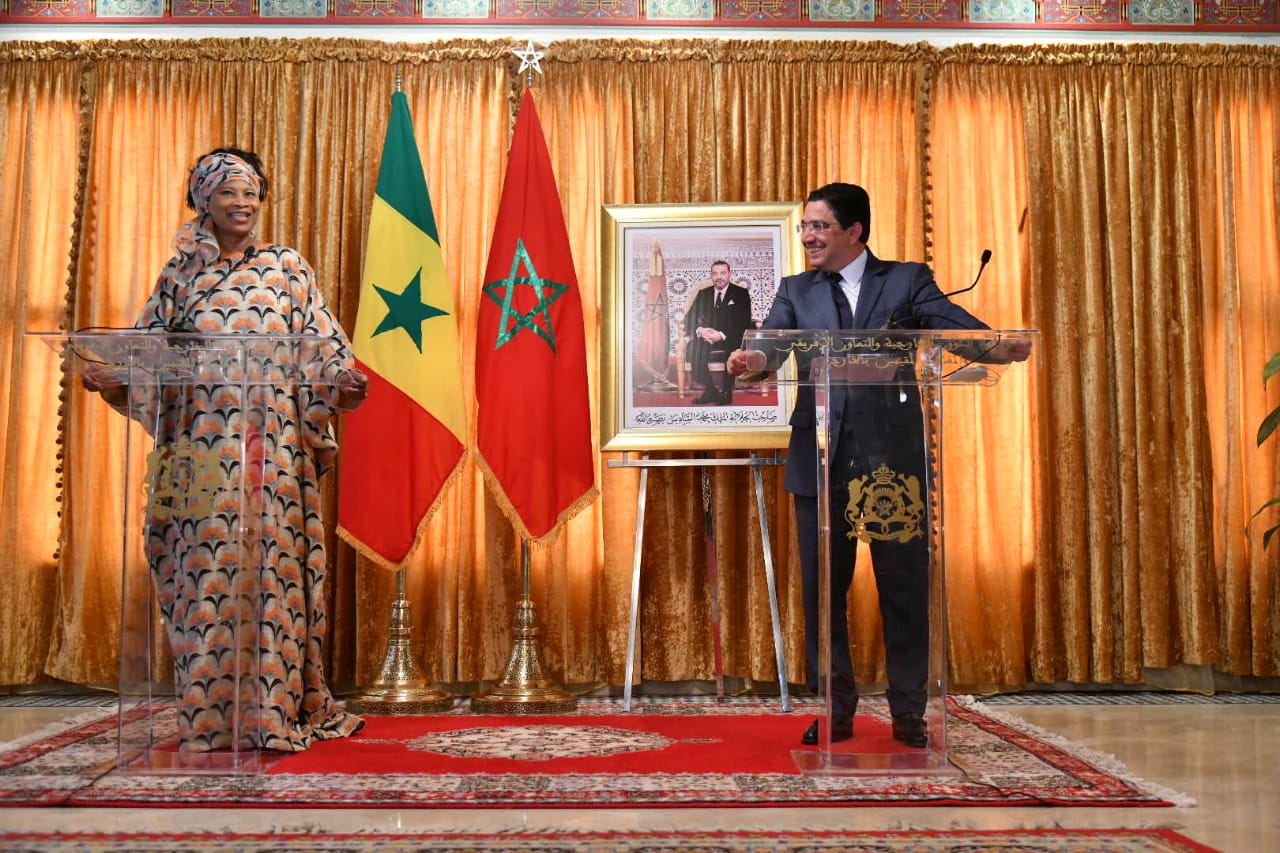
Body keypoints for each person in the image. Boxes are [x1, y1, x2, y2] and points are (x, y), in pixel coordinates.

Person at [81, 148, 369, 753]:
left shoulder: (287, 267)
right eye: (230, 193)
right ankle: (209, 719)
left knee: (272, 581)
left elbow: (323, 342)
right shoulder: (179, 276)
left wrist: (343, 380)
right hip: (196, 456)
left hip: (271, 453)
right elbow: (147, 353)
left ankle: (271, 714)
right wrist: (113, 375)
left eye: (252, 194)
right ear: (203, 200)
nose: (243, 204)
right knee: (201, 578)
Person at [727, 182, 1030, 749]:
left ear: (854, 231)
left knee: (903, 586)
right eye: (805, 228)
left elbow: (947, 322)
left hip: (892, 460)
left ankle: (909, 714)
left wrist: (992, 346)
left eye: (819, 227)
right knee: (824, 593)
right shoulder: (797, 289)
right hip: (820, 458)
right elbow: (772, 340)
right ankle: (835, 711)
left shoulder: (906, 280)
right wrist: (753, 358)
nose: (808, 237)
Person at [684, 260, 753, 404]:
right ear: (711, 275)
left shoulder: (741, 293)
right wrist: (700, 330)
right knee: (692, 349)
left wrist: (721, 335)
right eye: (715, 273)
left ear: (729, 274)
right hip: (707, 338)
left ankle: (727, 392)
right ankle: (710, 390)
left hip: (730, 337)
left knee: (733, 349)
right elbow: (688, 318)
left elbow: (744, 322)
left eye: (723, 273)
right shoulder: (704, 293)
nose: (719, 277)